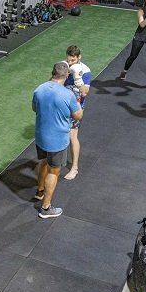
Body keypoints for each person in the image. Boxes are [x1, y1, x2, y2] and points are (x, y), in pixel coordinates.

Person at [32, 62, 83, 219]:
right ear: (66, 76)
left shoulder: (39, 88)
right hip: (57, 139)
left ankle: (40, 191)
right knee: (54, 171)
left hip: (40, 135)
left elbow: (34, 108)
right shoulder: (68, 95)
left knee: (44, 162)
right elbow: (78, 116)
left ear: (52, 72)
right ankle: (46, 208)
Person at [62, 46, 91, 180]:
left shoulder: (85, 71)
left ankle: (74, 168)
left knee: (73, 135)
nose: (71, 62)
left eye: (73, 60)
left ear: (79, 57)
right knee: (61, 133)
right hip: (62, 104)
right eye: (69, 60)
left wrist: (77, 79)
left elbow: (85, 92)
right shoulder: (63, 66)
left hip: (76, 106)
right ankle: (60, 161)